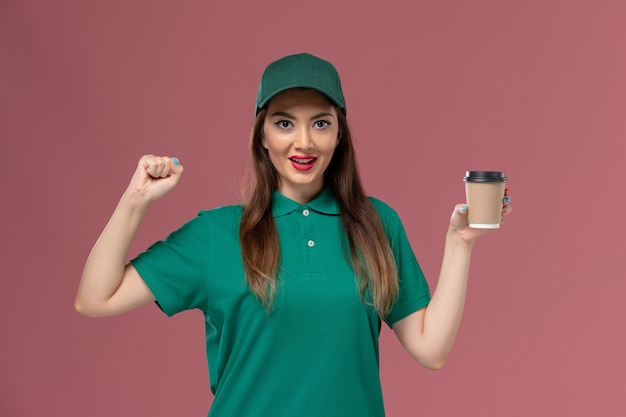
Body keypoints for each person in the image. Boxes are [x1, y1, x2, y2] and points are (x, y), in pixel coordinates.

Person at [75, 52, 512, 417]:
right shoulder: (216, 233)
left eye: (320, 123)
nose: (303, 142)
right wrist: (135, 200)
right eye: (284, 123)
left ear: (340, 134)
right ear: (261, 136)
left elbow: (430, 349)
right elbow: (95, 298)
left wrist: (460, 244)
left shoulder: (377, 224)